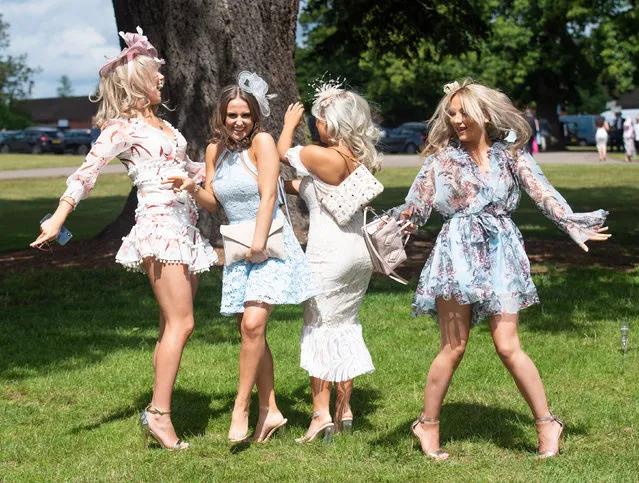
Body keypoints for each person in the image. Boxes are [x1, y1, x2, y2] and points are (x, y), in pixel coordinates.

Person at [392, 79, 610, 460]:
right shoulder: (440, 161)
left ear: (487, 114)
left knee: (508, 346)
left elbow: (544, 195)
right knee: (453, 347)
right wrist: (387, 234)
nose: (457, 120)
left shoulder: (513, 157)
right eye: (453, 113)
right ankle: (427, 426)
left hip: (500, 255)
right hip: (456, 255)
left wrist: (573, 224)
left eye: (465, 112)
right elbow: (415, 209)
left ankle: (547, 424)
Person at [30, 27, 218, 450]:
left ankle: (156, 408)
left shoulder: (166, 127)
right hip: (159, 228)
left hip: (187, 225)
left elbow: (191, 169)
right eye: (155, 75)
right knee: (183, 323)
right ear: (137, 82)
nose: (162, 80)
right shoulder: (121, 129)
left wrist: (217, 166)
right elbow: (87, 171)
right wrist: (58, 217)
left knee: (172, 323)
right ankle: (159, 415)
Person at [165, 72, 318, 444]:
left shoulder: (262, 143)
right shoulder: (215, 151)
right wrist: (193, 189)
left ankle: (242, 407)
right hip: (238, 247)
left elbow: (269, 196)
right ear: (221, 116)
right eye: (232, 115)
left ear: (255, 118)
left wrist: (259, 242)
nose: (238, 122)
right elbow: (216, 204)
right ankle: (271, 412)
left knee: (252, 326)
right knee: (251, 331)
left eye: (245, 115)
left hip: (268, 244)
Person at [276, 82, 382, 443]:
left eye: (319, 118)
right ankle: (344, 409)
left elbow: (280, 155)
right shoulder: (359, 159)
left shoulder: (318, 155)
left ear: (330, 123)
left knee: (320, 327)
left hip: (328, 255)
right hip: (358, 254)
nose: (316, 125)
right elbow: (305, 187)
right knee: (345, 326)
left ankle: (321, 415)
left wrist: (289, 124)